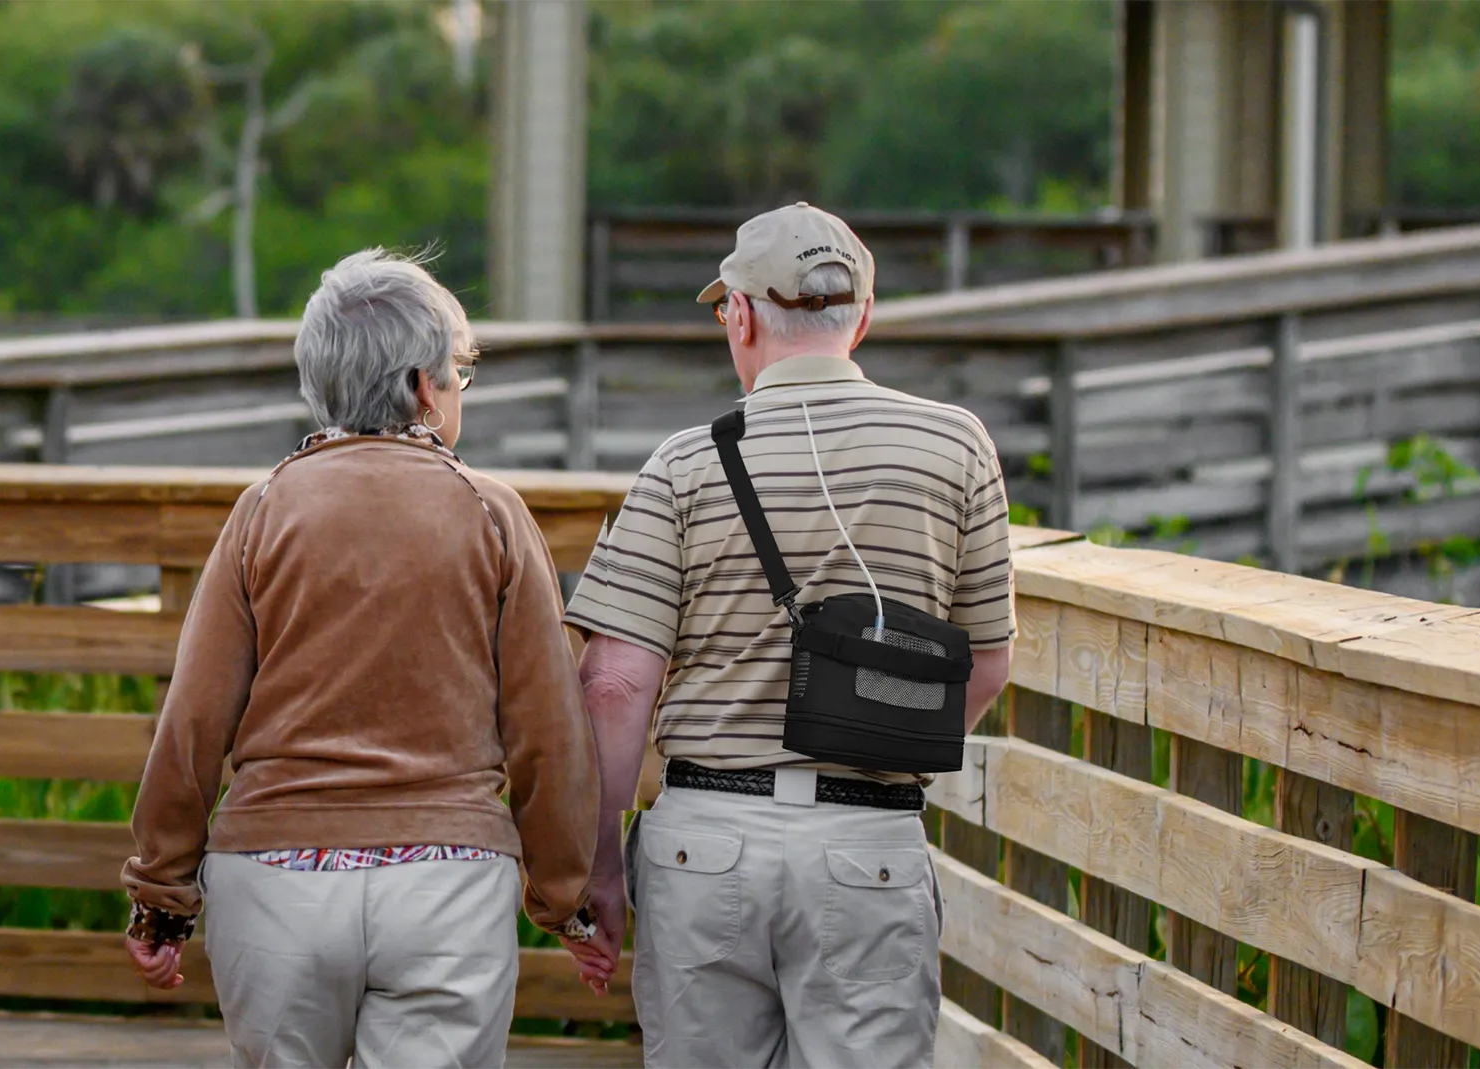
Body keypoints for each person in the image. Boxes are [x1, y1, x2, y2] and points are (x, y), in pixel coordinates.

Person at [119, 248, 608, 1069]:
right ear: (424, 386)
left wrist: (161, 897)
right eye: (458, 374)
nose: (459, 393)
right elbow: (546, 727)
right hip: (445, 883)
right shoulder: (490, 513)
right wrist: (566, 901)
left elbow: (196, 717)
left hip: (275, 884)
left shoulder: (264, 507)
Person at [564, 204, 1018, 1066]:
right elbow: (987, 660)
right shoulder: (957, 446)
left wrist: (599, 871)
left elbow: (615, 682)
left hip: (706, 842)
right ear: (864, 314)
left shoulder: (684, 464)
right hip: (869, 840)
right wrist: (884, 736)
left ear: (738, 315)